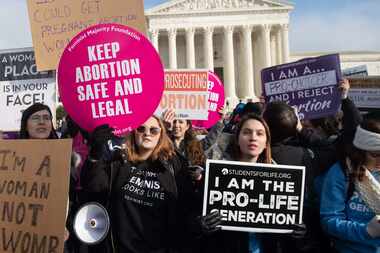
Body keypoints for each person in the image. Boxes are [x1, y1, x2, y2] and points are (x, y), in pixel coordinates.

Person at [80, 115, 200, 253]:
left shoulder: (175, 166)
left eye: (154, 130)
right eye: (141, 129)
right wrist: (95, 155)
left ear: (161, 134)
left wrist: (198, 223)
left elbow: (187, 207)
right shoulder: (118, 161)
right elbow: (94, 187)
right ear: (133, 133)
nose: (147, 133)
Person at [201, 113, 272, 253]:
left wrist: (292, 230)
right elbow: (191, 216)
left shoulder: (280, 177)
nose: (253, 138)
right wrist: (202, 223)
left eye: (259, 133)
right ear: (237, 140)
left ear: (266, 143)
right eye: (247, 132)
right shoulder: (216, 176)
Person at [320, 111, 380, 253]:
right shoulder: (341, 172)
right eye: (375, 154)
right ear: (361, 150)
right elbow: (329, 220)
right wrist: (366, 231)